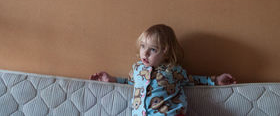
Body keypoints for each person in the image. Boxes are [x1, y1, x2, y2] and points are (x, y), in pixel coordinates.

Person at [90, 24, 236, 115]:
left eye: (152, 49)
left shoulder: (173, 70)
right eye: (143, 46)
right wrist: (112, 79)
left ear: (165, 51)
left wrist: (215, 80)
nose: (145, 53)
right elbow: (131, 82)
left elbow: (193, 80)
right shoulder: (137, 69)